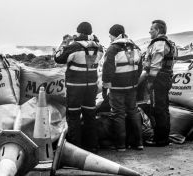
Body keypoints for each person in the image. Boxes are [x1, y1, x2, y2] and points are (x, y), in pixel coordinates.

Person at [54, 22, 104, 153]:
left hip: (75, 87)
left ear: (79, 32)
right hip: (91, 86)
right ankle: (92, 146)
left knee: (74, 115)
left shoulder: (74, 46)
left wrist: (64, 43)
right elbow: (90, 59)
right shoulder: (99, 47)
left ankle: (76, 147)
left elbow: (58, 58)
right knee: (90, 115)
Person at [102, 24, 143, 151]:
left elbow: (107, 68)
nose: (109, 38)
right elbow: (140, 67)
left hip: (117, 87)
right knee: (133, 111)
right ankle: (138, 143)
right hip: (132, 86)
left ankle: (121, 145)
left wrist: (105, 86)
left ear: (114, 35)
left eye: (110, 35)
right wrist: (134, 80)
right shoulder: (135, 47)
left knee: (118, 114)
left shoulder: (113, 48)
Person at [141, 20, 176, 146]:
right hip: (164, 77)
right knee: (163, 108)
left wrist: (150, 81)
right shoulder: (168, 43)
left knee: (157, 109)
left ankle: (160, 140)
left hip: (158, 79)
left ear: (158, 30)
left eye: (151, 29)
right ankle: (163, 137)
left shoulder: (160, 43)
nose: (149, 31)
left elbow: (156, 63)